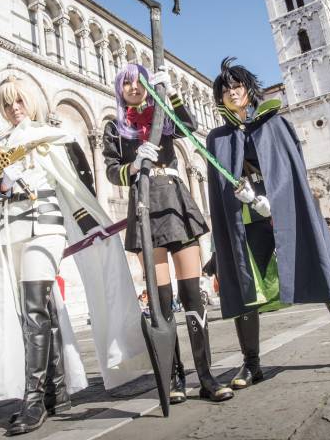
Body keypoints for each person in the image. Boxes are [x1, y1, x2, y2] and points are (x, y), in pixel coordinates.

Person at [0, 75, 147, 436]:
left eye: (19, 101)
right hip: (12, 232)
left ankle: (33, 398)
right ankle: (57, 389)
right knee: (40, 308)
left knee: (34, 306)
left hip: (46, 228)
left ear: (31, 101)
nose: (14, 109)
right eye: (7, 104)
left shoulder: (52, 138)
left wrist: (89, 222)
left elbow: (79, 182)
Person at [206, 58, 330, 392]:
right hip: (245, 221)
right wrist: (243, 193)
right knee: (245, 286)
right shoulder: (217, 138)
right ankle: (252, 364)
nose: (232, 92)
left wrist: (269, 195)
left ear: (249, 90)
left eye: (237, 86)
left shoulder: (275, 124)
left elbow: (289, 171)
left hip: (285, 213)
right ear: (219, 98)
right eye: (225, 89)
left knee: (321, 266)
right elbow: (221, 187)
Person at [103, 64, 233, 404]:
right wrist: (132, 167)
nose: (133, 87)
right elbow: (111, 170)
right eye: (126, 82)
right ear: (119, 89)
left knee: (192, 295)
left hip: (175, 200)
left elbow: (188, 130)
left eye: (139, 81)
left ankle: (205, 376)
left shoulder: (160, 116)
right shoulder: (114, 127)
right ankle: (174, 378)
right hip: (145, 204)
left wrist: (171, 93)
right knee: (160, 302)